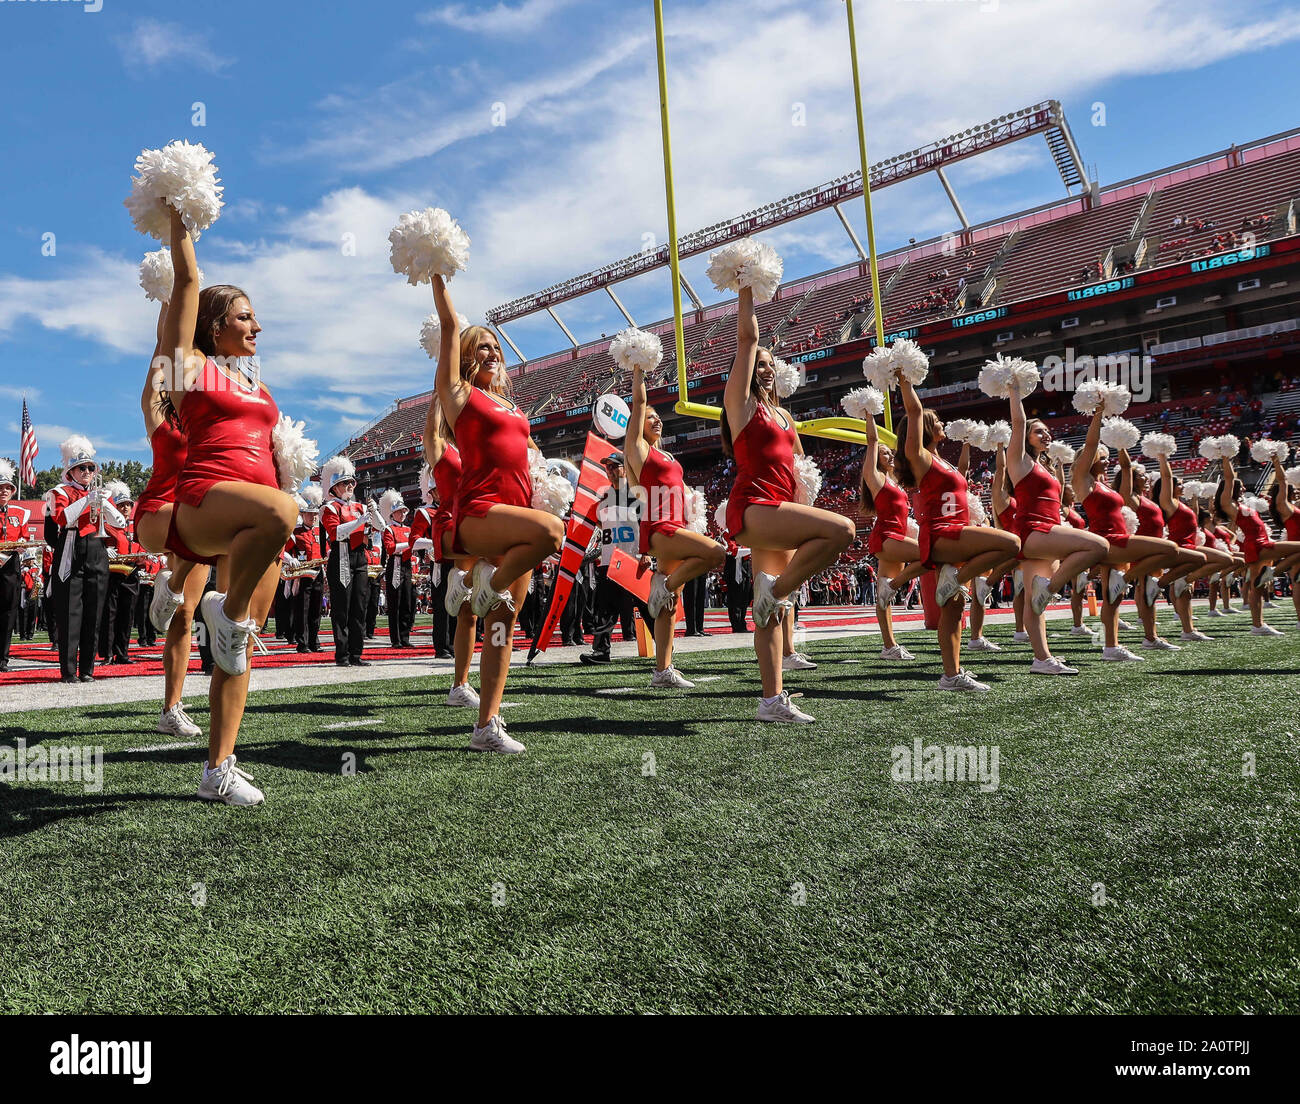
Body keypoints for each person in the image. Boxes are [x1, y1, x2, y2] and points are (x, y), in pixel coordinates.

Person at [161, 202, 299, 803]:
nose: (256, 328)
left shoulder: (257, 384)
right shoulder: (187, 366)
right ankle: (222, 608)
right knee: (279, 513)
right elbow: (187, 283)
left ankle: (218, 768)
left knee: (238, 635)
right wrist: (179, 213)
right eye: (245, 317)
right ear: (214, 325)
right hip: (203, 502)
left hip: (255, 514)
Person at [431, 275, 565, 752]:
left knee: (502, 627)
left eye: (495, 347)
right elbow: (449, 324)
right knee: (552, 534)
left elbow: (525, 452)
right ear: (467, 356)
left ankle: (487, 726)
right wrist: (437, 272)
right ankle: (485, 587)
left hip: (517, 513)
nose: (491, 352)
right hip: (482, 513)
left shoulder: (511, 403)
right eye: (481, 347)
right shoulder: (461, 398)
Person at [722, 285, 855, 721]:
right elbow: (746, 339)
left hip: (780, 507)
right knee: (842, 530)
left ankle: (770, 700)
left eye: (769, 365)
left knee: (771, 614)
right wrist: (746, 288)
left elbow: (799, 467)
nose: (764, 369)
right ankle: (777, 591)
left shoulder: (785, 417)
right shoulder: (741, 408)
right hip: (753, 506)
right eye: (758, 365)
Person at [896, 375, 1020, 690]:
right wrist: (904, 380)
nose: (941, 424)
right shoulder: (921, 458)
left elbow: (961, 475)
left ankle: (951, 675)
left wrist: (969, 443)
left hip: (955, 532)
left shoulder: (944, 462)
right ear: (926, 429)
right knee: (1012, 544)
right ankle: (958, 580)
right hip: (943, 533)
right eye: (935, 421)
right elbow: (913, 412)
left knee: (952, 610)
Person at [625, 356, 725, 688]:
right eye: (650, 418)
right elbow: (639, 403)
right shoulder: (638, 451)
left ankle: (662, 670)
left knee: (670, 601)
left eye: (658, 418)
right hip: (658, 528)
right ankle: (663, 585)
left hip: (677, 525)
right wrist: (639, 369)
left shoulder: (667, 455)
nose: (656, 421)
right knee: (714, 554)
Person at [134, 297, 209, 739]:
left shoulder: (212, 420)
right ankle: (172, 583)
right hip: (160, 512)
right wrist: (171, 300)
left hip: (197, 521)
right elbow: (165, 356)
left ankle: (171, 708)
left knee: (184, 617)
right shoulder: (160, 417)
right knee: (197, 531)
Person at [1004, 388, 1107, 673]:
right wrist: (1014, 390)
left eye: (1047, 431)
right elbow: (1017, 422)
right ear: (1025, 438)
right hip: (1033, 530)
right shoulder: (1019, 461)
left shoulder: (1043, 466)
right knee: (1099, 547)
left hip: (1047, 530)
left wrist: (1097, 415)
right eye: (1038, 432)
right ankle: (1050, 588)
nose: (1045, 435)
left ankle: (1042, 659)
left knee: (1034, 603)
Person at [49, 435, 124, 683]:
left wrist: (106, 503)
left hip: (97, 549)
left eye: (91, 468)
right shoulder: (60, 491)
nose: (88, 472)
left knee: (94, 611)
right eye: (83, 468)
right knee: (71, 611)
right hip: (71, 546)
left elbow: (120, 524)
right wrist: (87, 501)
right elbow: (63, 519)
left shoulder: (99, 492)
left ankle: (88, 669)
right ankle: (69, 671)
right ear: (71, 471)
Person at [858, 406, 922, 662]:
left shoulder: (895, 481)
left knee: (883, 597)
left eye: (890, 452)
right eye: (884, 453)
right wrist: (869, 412)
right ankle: (893, 586)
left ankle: (889, 646)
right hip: (887, 537)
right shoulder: (875, 478)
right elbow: (872, 440)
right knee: (930, 555)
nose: (889, 454)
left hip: (897, 536)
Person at [580, 453, 648, 665]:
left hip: (635, 560)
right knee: (605, 610)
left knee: (647, 608)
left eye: (614, 466)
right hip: (609, 563)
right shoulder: (603, 501)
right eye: (607, 467)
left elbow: (647, 526)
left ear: (625, 469)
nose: (609, 470)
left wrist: (646, 553)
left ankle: (665, 647)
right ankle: (601, 651)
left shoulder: (639, 496)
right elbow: (601, 526)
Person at [320, 456, 383, 667]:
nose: (348, 486)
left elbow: (381, 528)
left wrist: (373, 512)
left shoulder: (360, 507)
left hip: (359, 556)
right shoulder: (330, 508)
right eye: (344, 483)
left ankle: (356, 653)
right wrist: (359, 521)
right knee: (342, 608)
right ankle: (342, 655)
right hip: (342, 556)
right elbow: (336, 533)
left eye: (350, 483)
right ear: (335, 488)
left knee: (359, 606)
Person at [0, 461, 30, 672]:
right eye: (0, 488)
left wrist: (21, 546)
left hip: (11, 565)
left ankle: (3, 659)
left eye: (8, 488)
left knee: (8, 614)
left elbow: (24, 537)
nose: (4, 491)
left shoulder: (20, 514)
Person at [290, 487, 325, 653]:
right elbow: (284, 550)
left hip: (318, 572)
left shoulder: (320, 532)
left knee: (316, 609)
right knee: (302, 610)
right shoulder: (295, 532)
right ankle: (302, 642)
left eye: (315, 514)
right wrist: (292, 559)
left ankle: (314, 641)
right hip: (303, 574)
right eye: (310, 514)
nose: (313, 517)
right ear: (303, 514)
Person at [380, 490, 415, 648]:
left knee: (407, 602)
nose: (402, 515)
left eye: (403, 512)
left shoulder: (408, 530)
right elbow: (390, 548)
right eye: (399, 512)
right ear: (392, 514)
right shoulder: (389, 529)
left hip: (406, 564)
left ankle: (405, 637)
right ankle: (396, 639)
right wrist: (410, 544)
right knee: (395, 602)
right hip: (395, 564)